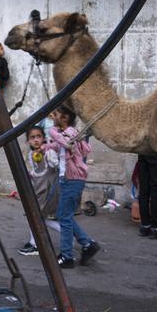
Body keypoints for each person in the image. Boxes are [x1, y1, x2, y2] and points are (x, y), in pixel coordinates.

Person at [45, 105, 101, 268]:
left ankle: (66, 256)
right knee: (64, 215)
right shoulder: (68, 134)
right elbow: (60, 146)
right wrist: (44, 147)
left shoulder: (69, 133)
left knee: (64, 217)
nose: (53, 116)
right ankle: (88, 244)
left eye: (56, 114)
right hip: (67, 179)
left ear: (65, 118)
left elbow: (63, 142)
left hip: (72, 180)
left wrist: (52, 131)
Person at [17, 126, 60, 256]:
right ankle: (34, 243)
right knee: (36, 217)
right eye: (32, 137)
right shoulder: (31, 154)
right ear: (28, 141)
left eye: (38, 137)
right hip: (38, 190)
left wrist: (51, 154)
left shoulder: (48, 152)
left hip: (47, 190)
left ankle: (35, 244)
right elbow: (36, 172)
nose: (36, 140)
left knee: (36, 217)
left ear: (43, 138)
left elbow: (56, 166)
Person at [133, 154, 157, 238]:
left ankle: (145, 225)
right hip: (156, 153)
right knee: (156, 189)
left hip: (143, 153)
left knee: (144, 189)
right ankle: (156, 227)